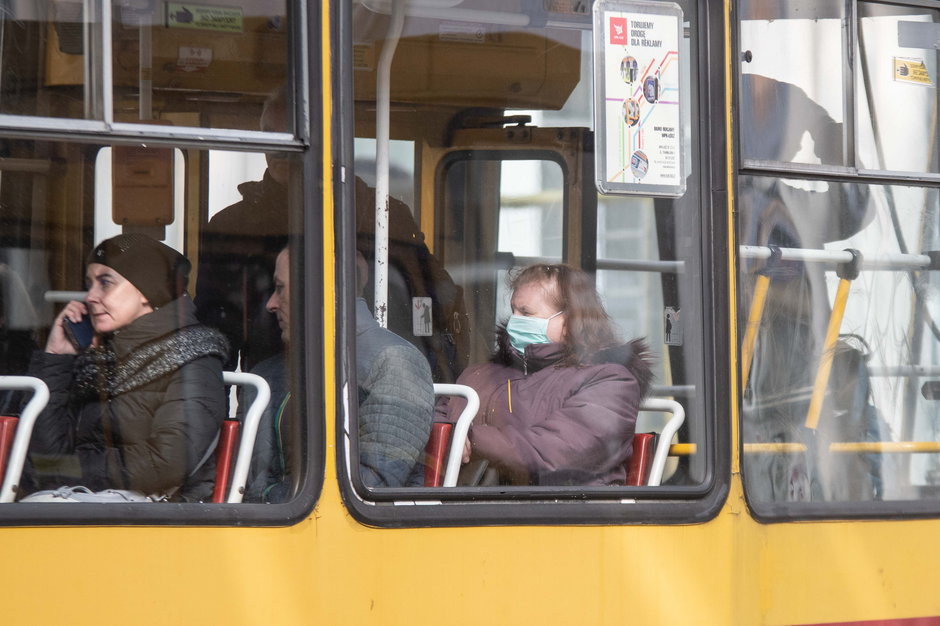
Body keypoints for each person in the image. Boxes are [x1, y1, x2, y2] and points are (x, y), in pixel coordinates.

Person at [196, 87, 468, 380]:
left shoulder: (382, 214)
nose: (277, 146)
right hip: (272, 385)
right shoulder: (234, 225)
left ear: (327, 140)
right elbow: (214, 334)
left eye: (290, 134)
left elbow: (434, 304)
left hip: (373, 376)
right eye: (268, 133)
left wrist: (437, 392)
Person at [24, 234, 228, 501]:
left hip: (153, 518)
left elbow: (167, 461)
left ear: (146, 291)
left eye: (105, 283)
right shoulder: (98, 360)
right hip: (81, 500)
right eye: (90, 284)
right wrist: (56, 358)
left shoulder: (194, 358)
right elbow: (45, 457)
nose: (90, 297)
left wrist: (67, 471)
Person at [244, 245, 434, 500]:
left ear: (317, 290)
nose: (270, 304)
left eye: (280, 289)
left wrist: (267, 497)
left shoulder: (394, 362)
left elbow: (370, 487)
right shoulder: (265, 374)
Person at [436, 264, 652, 486]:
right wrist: (446, 434)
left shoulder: (610, 382)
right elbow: (432, 427)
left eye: (526, 313)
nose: (514, 321)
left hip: (566, 512)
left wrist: (469, 436)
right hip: (471, 509)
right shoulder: (477, 377)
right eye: (514, 311)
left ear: (569, 322)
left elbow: (555, 453)